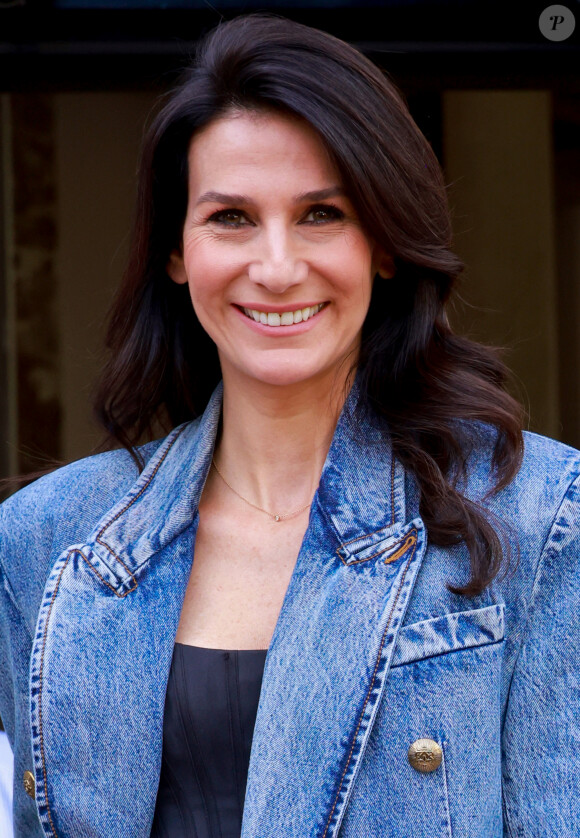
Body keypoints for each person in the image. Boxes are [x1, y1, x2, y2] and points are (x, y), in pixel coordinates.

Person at [1, 13, 579, 838]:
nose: (275, 268)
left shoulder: (538, 518)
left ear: (384, 242)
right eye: (230, 217)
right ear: (177, 250)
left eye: (322, 214)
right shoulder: (42, 541)